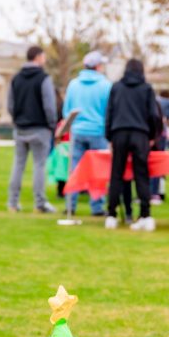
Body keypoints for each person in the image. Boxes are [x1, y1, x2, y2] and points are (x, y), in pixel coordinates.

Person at [103, 59, 162, 232]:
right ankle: (145, 215)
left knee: (116, 174)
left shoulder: (116, 87)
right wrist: (152, 136)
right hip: (140, 134)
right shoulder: (146, 89)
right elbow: (153, 115)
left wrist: (109, 136)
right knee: (141, 175)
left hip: (119, 132)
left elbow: (110, 113)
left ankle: (111, 214)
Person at [7, 45, 59, 213]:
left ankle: (12, 202)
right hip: (40, 128)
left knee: (18, 165)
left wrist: (17, 119)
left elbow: (10, 105)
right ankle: (40, 203)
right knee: (39, 166)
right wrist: (52, 125)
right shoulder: (43, 79)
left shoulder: (16, 79)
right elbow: (49, 106)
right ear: (37, 57)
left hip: (21, 128)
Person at [63, 51, 112, 216]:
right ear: (98, 66)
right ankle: (96, 207)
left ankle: (71, 204)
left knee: (75, 169)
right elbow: (109, 111)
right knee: (98, 171)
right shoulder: (106, 85)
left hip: (77, 131)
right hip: (99, 132)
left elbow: (66, 111)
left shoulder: (73, 85)